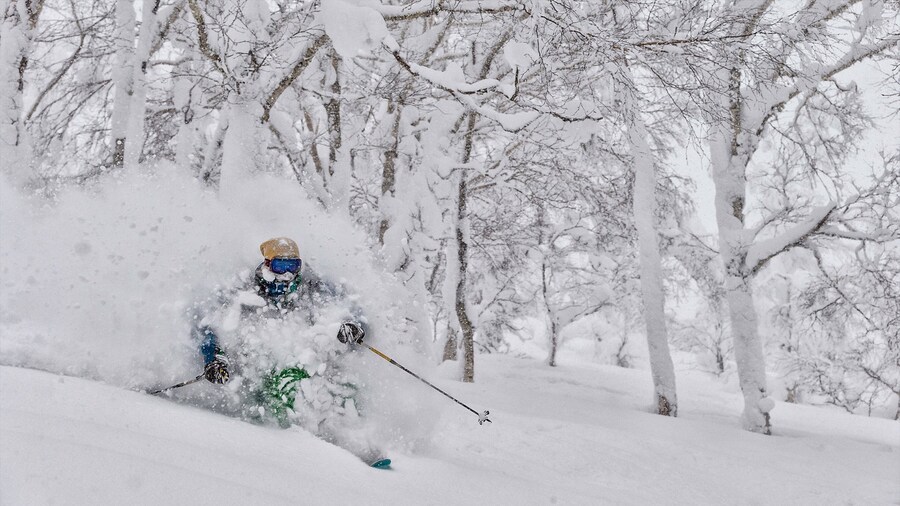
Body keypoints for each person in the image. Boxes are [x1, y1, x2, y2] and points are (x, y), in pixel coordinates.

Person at [189, 237, 386, 467]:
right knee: (288, 386)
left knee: (342, 383)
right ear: (266, 264)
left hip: (306, 359)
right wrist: (214, 357)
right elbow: (204, 321)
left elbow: (349, 308)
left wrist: (352, 326)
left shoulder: (313, 285)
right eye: (280, 267)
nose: (287, 275)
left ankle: (362, 438)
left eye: (293, 267)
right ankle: (315, 443)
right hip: (257, 368)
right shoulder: (243, 289)